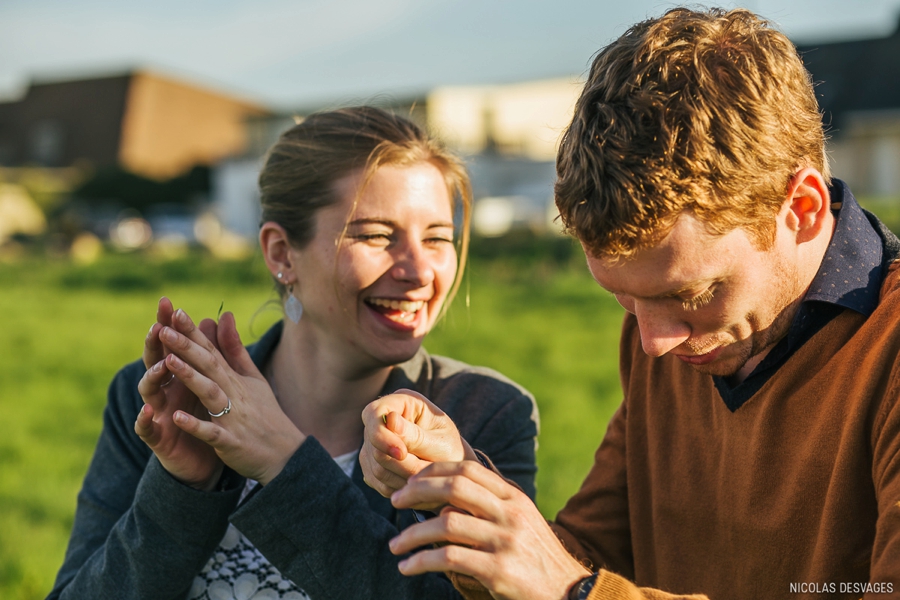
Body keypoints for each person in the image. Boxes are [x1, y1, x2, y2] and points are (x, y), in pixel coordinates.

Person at [362, 8, 900, 600]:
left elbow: (577, 583)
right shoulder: (668, 336)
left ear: (801, 207)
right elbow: (586, 556)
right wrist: (461, 492)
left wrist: (576, 590)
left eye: (691, 295)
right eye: (624, 300)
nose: (653, 342)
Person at [48, 106, 539, 600]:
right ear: (282, 253)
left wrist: (285, 466)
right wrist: (182, 489)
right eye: (375, 235)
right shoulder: (169, 402)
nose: (419, 270)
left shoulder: (485, 414)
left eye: (437, 238)